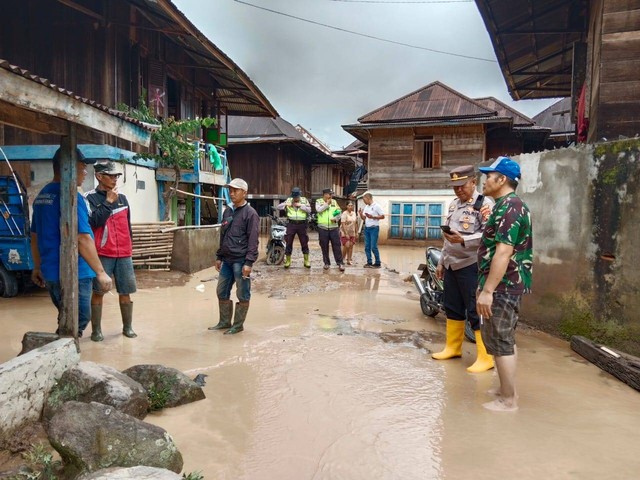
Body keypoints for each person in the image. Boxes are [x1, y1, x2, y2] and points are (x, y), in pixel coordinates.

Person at [30, 148, 112, 337]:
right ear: (68, 167)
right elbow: (82, 237)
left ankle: (64, 350)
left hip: (50, 270)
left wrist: (37, 266)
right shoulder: (71, 197)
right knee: (79, 317)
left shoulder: (42, 196)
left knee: (66, 316)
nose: (84, 173)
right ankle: (61, 353)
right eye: (82, 168)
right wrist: (100, 272)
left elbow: (34, 236)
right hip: (74, 271)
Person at [476, 156, 533, 412]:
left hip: (503, 285)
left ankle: (508, 400)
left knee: (500, 341)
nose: (485, 180)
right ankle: (505, 390)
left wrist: (488, 290)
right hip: (505, 284)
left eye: (489, 176)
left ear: (502, 180)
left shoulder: (511, 207)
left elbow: (503, 252)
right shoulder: (504, 205)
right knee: (503, 339)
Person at [432, 165, 495, 373]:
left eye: (462, 185)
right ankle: (453, 348)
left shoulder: (484, 204)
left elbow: (490, 235)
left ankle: (486, 357)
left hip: (471, 265)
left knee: (476, 311)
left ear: (473, 182)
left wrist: (464, 239)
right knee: (452, 307)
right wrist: (441, 261)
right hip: (451, 264)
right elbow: (448, 238)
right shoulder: (453, 205)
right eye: (455, 186)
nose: (458, 190)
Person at [84, 161, 137, 341]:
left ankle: (127, 327)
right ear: (99, 176)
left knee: (126, 291)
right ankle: (96, 331)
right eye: (111, 175)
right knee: (98, 291)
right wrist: (107, 202)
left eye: (116, 176)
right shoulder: (89, 198)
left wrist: (129, 247)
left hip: (124, 253)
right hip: (102, 254)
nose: (115, 179)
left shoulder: (123, 198)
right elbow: (94, 223)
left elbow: (127, 226)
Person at [209, 178, 259, 334]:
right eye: (230, 190)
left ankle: (238, 325)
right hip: (227, 260)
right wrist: (219, 256)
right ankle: (224, 322)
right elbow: (223, 235)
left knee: (242, 293)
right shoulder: (228, 211)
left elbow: (253, 240)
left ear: (244, 193)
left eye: (235, 190)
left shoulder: (250, 214)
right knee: (221, 291)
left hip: (241, 261)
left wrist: (249, 263)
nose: (232, 193)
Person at [277, 187, 311, 268]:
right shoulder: (288, 200)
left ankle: (306, 260)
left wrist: (301, 206)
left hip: (302, 224)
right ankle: (288, 260)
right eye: (294, 197)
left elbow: (309, 210)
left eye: (297, 197)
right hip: (291, 224)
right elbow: (278, 207)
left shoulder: (304, 200)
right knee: (288, 242)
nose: (296, 199)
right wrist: (285, 204)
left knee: (304, 242)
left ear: (300, 195)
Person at [315, 188, 344, 271]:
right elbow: (319, 210)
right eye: (329, 194)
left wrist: (336, 218)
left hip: (334, 228)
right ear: (324, 194)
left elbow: (339, 211)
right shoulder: (318, 201)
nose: (331, 195)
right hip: (322, 228)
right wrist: (327, 204)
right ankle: (326, 263)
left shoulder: (334, 201)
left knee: (337, 246)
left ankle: (340, 263)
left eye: (331, 194)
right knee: (324, 246)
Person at [359, 192, 384, 268]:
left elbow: (382, 216)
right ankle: (369, 262)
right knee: (367, 246)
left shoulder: (377, 206)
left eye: (364, 200)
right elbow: (364, 218)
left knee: (373, 246)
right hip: (367, 228)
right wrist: (360, 214)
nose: (364, 201)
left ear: (368, 198)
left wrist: (373, 217)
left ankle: (377, 262)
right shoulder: (366, 207)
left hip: (374, 228)